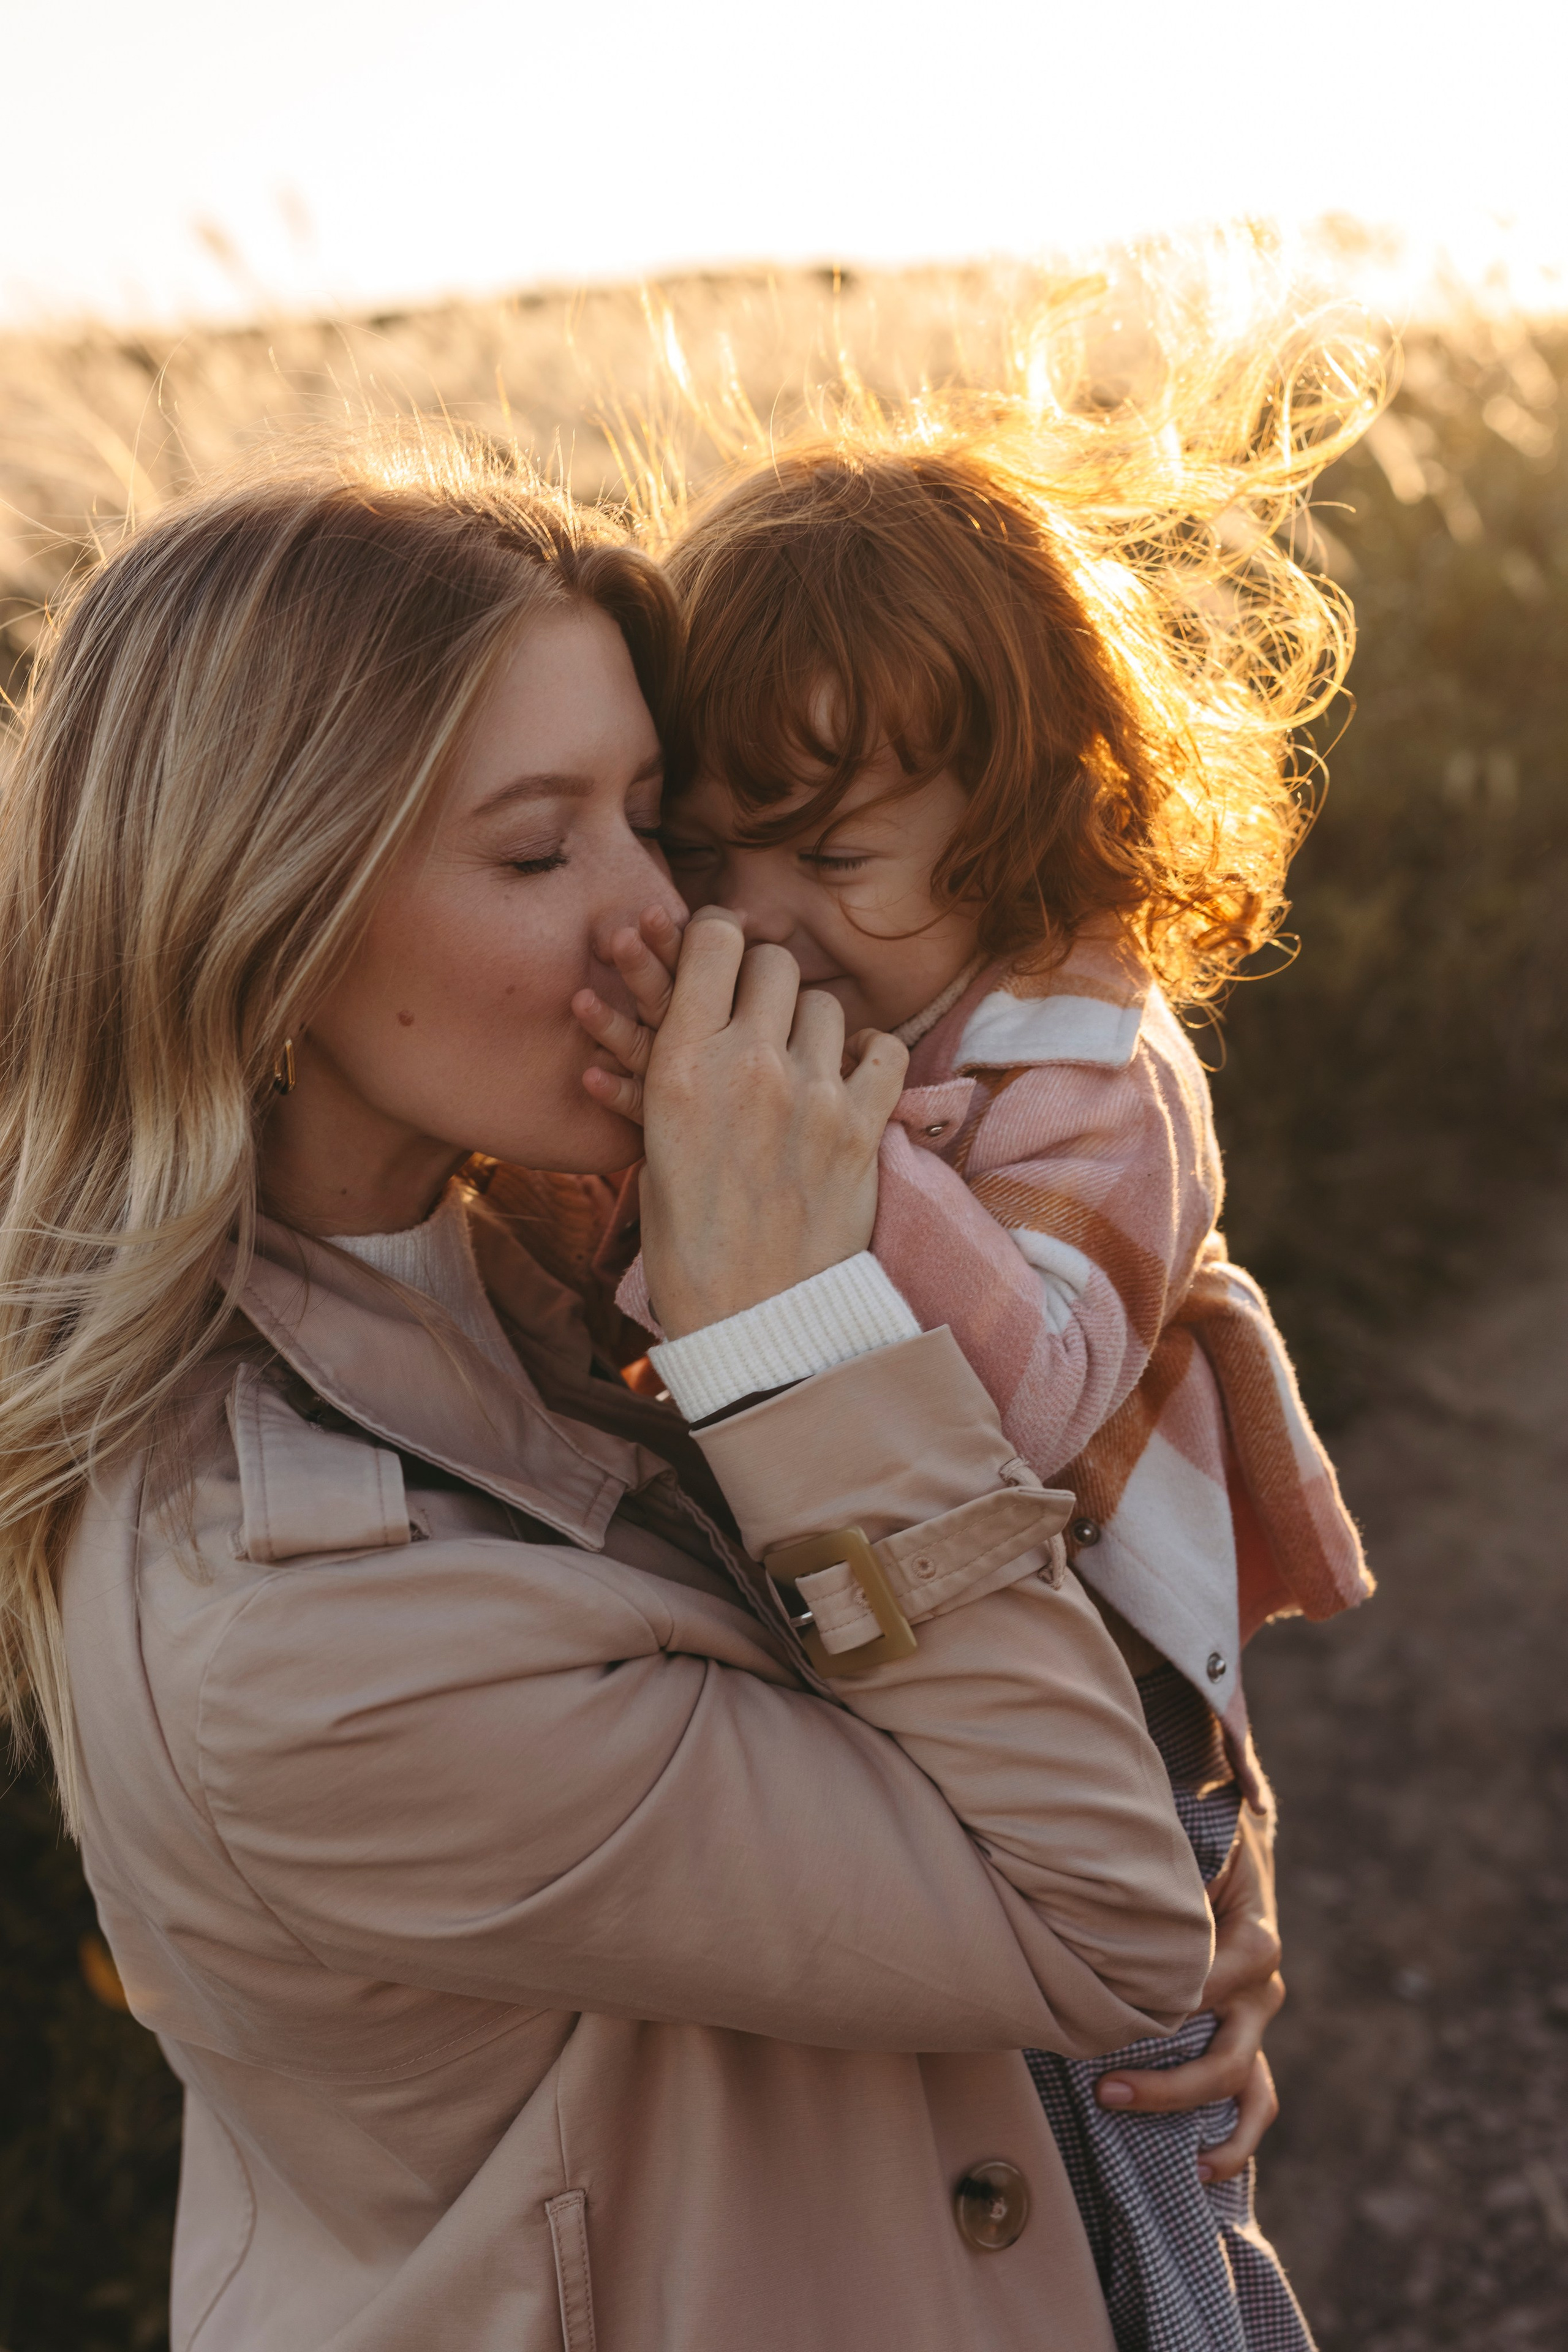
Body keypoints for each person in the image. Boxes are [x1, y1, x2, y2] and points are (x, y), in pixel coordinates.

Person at [0, 435, 1214, 2352]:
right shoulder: (292, 1638)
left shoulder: (531, 1252)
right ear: (264, 921)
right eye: (535, 850)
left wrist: (1147, 2059)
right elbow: (1098, 1918)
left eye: (660, 825)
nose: (669, 923)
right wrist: (798, 1328)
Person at [573, 334, 1378, 2350]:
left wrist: (824, 1152)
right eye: (711, 857)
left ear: (1028, 815)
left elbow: (1028, 1391)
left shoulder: (1093, 1064)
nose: (761, 920)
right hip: (909, 1687)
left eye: (833, 859)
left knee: (1139, 2209)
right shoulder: (859, 1011)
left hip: (1108, 1742)